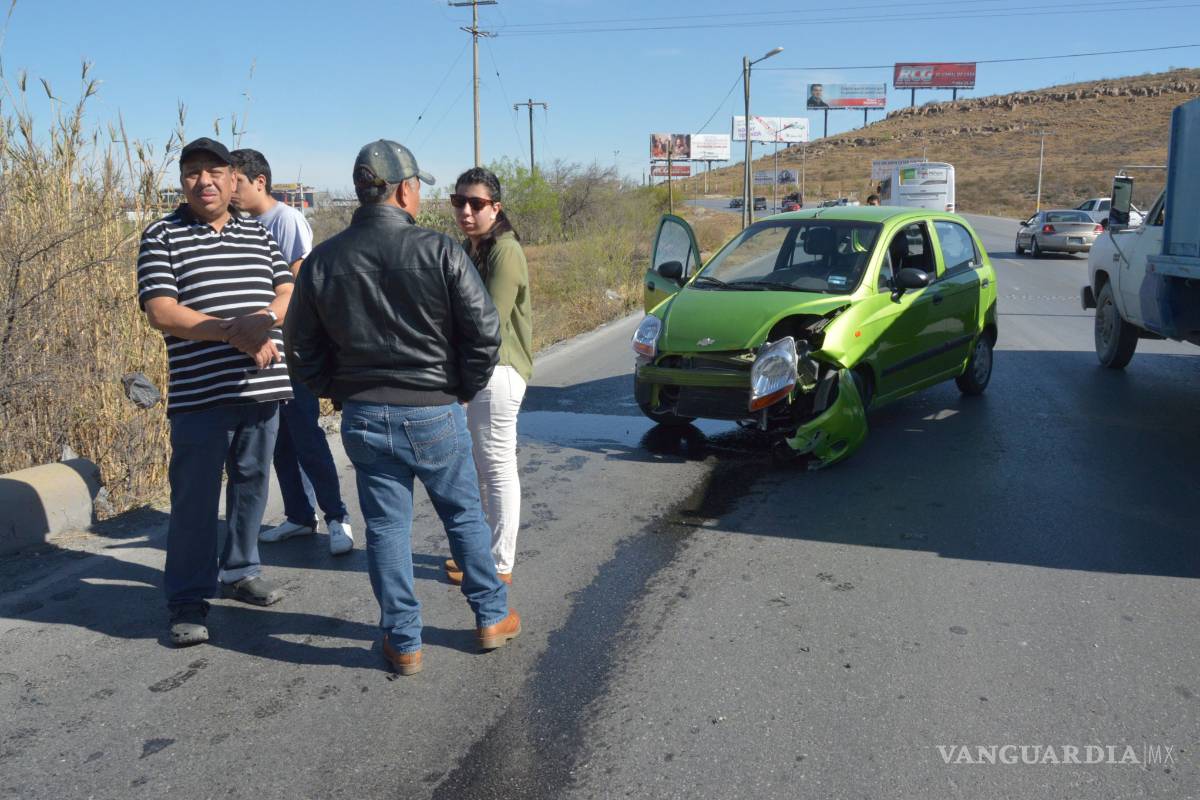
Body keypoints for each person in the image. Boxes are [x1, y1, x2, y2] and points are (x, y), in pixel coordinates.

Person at [284, 140, 520, 676]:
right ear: (405, 190)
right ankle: (490, 618)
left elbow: (299, 346)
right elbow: (486, 332)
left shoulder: (324, 259)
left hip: (364, 415)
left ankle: (404, 641)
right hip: (434, 410)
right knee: (463, 515)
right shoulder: (440, 250)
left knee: (387, 530)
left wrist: (337, 390)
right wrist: (461, 387)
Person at [136, 138, 295, 647]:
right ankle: (187, 597)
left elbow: (288, 289)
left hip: (263, 385)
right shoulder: (162, 235)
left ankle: (241, 569)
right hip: (201, 393)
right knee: (194, 498)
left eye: (214, 171)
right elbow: (162, 310)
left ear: (233, 178)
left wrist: (264, 320)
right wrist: (231, 330)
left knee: (251, 484)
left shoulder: (258, 231)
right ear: (181, 182)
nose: (203, 181)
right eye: (191, 172)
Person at [230, 149, 354, 556]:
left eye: (237, 182)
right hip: (258, 349)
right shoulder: (242, 225)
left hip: (290, 349)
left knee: (305, 433)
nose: (230, 191)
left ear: (259, 181)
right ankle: (300, 516)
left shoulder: (285, 219)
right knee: (277, 438)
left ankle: (337, 518)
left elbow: (299, 285)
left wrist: (270, 327)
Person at [444, 167, 532, 588]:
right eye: (458, 201)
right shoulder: (472, 247)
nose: (465, 210)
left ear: (495, 208)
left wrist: (463, 379)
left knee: (497, 468)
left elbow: (489, 323)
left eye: (476, 204)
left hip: (498, 369)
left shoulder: (505, 250)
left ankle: (499, 563)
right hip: (481, 369)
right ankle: (484, 556)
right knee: (483, 466)